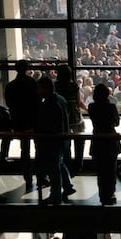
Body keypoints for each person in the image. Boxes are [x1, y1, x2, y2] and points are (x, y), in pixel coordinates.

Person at [34, 77, 76, 205]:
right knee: (59, 163)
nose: (38, 90)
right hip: (63, 138)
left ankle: (56, 194)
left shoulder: (48, 104)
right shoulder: (60, 99)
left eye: (39, 88)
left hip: (53, 140)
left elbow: (47, 124)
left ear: (44, 88)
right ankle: (68, 186)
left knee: (54, 167)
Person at [4, 59, 39, 190]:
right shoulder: (32, 84)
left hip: (19, 121)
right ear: (27, 68)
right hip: (33, 121)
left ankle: (28, 178)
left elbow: (9, 103)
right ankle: (41, 177)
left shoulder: (10, 86)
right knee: (38, 148)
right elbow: (37, 102)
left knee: (25, 150)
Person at [88, 83, 121, 205]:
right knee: (111, 169)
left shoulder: (91, 107)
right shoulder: (111, 107)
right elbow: (117, 123)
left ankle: (103, 194)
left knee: (101, 171)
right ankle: (111, 192)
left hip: (97, 139)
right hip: (110, 140)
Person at [55, 64, 87, 175]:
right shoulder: (73, 86)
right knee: (79, 142)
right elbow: (79, 102)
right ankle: (78, 166)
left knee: (65, 143)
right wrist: (88, 110)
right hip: (75, 117)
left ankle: (67, 165)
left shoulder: (56, 86)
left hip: (62, 117)